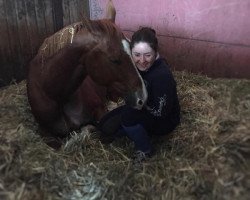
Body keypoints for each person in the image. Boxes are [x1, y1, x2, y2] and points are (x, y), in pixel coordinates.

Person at [98, 27, 180, 163]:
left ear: (156, 52)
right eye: (136, 55)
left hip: (163, 119)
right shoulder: (135, 65)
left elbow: (161, 112)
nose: (142, 60)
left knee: (127, 119)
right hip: (143, 106)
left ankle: (145, 149)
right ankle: (134, 131)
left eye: (148, 55)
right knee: (105, 125)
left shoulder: (161, 76)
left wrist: (137, 106)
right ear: (131, 53)